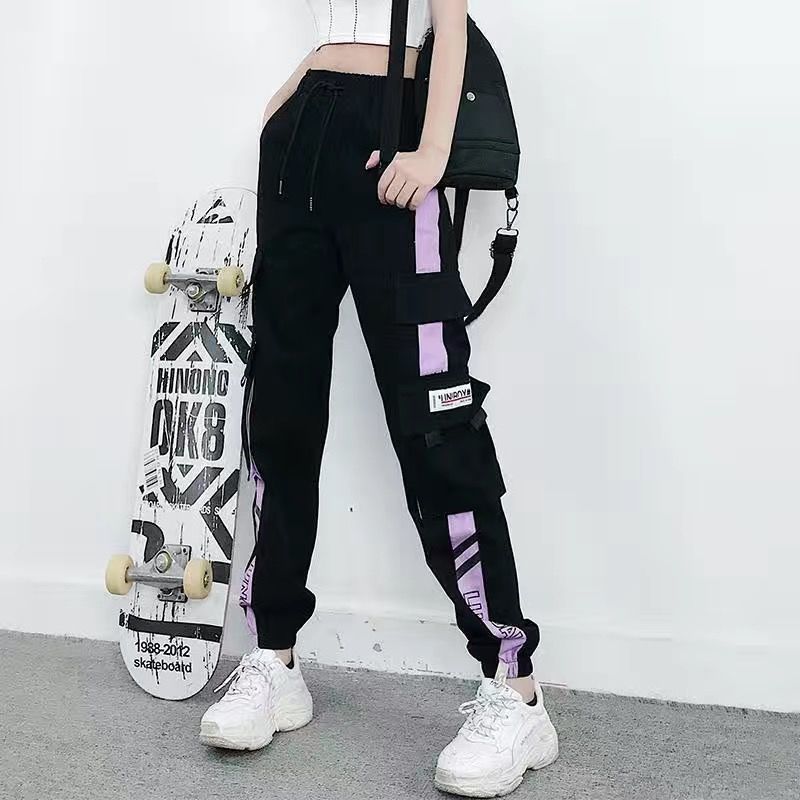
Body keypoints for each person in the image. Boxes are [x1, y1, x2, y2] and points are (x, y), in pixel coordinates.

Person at [200, 1, 559, 795]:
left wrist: (431, 148)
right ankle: (274, 656)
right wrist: (287, 102)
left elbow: (449, 23)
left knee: (438, 420)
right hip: (302, 143)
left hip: (396, 137)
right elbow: (335, 31)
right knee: (282, 412)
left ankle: (515, 685)